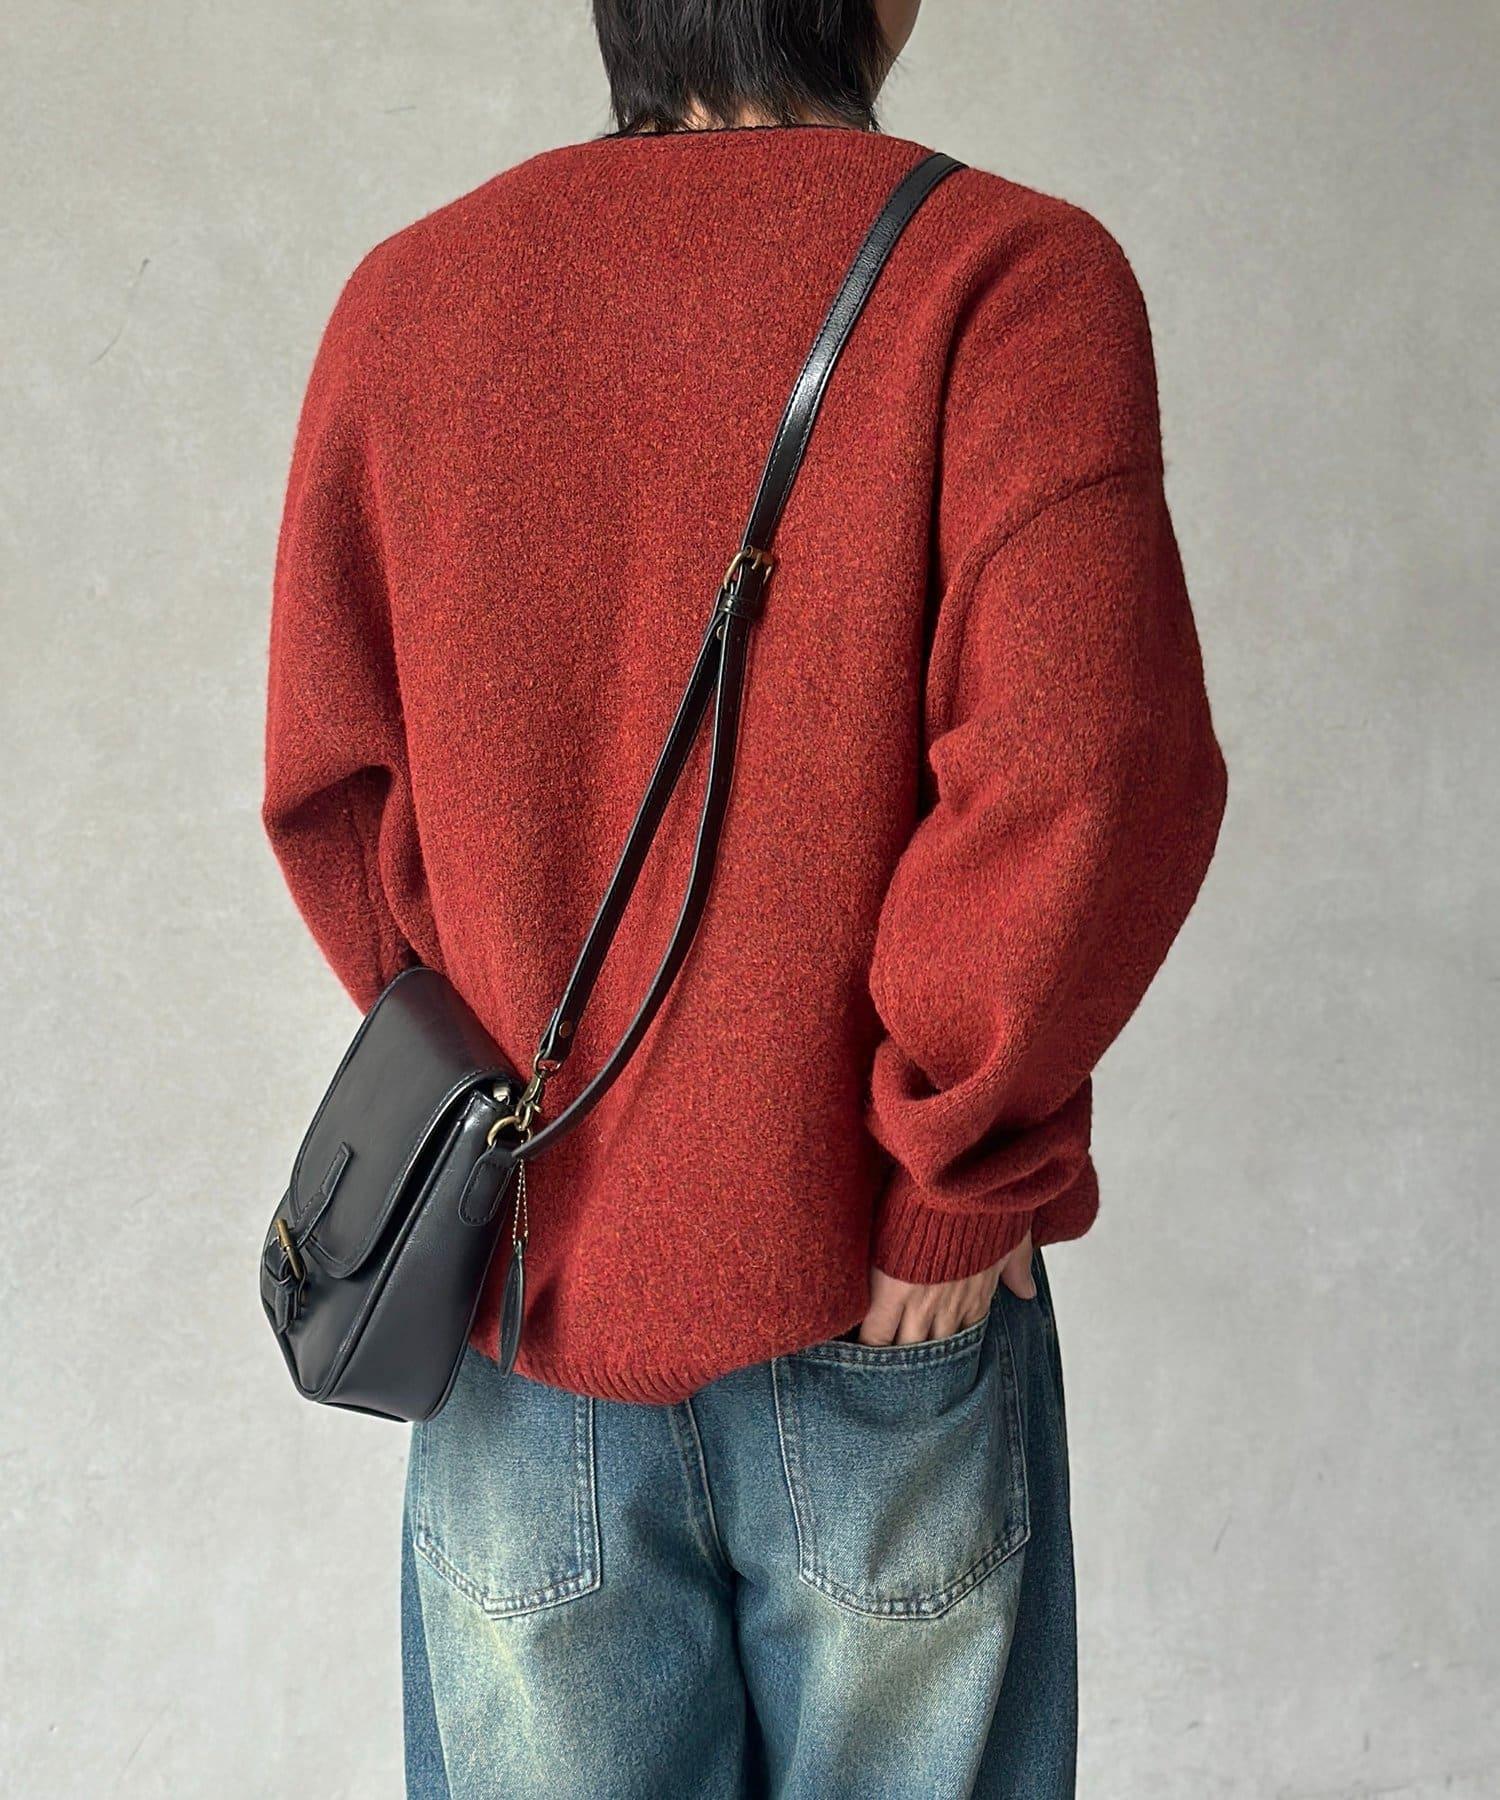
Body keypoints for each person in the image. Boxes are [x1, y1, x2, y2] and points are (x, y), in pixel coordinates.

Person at [261, 2, 1226, 1794]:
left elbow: (335, 788)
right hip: (884, 1310)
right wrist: (951, 1168)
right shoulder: (1007, 282)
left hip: (521, 1304)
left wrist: (482, 1113)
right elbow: (1086, 768)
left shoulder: (410, 303)